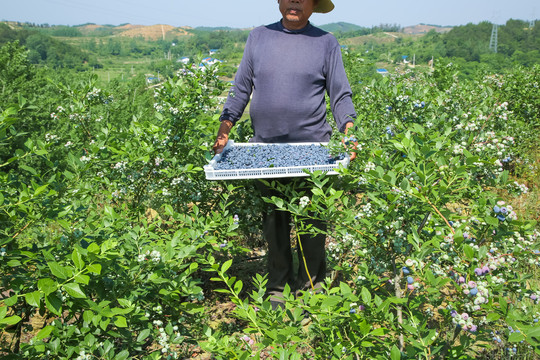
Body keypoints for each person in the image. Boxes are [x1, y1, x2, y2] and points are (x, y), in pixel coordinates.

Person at [212, 0, 357, 309]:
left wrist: (349, 129)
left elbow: (340, 92)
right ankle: (278, 286)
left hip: (314, 151)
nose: (294, 2)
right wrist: (225, 127)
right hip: (266, 151)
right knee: (274, 221)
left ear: (313, 5)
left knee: (312, 222)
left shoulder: (325, 42)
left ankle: (310, 287)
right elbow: (240, 88)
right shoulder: (259, 37)